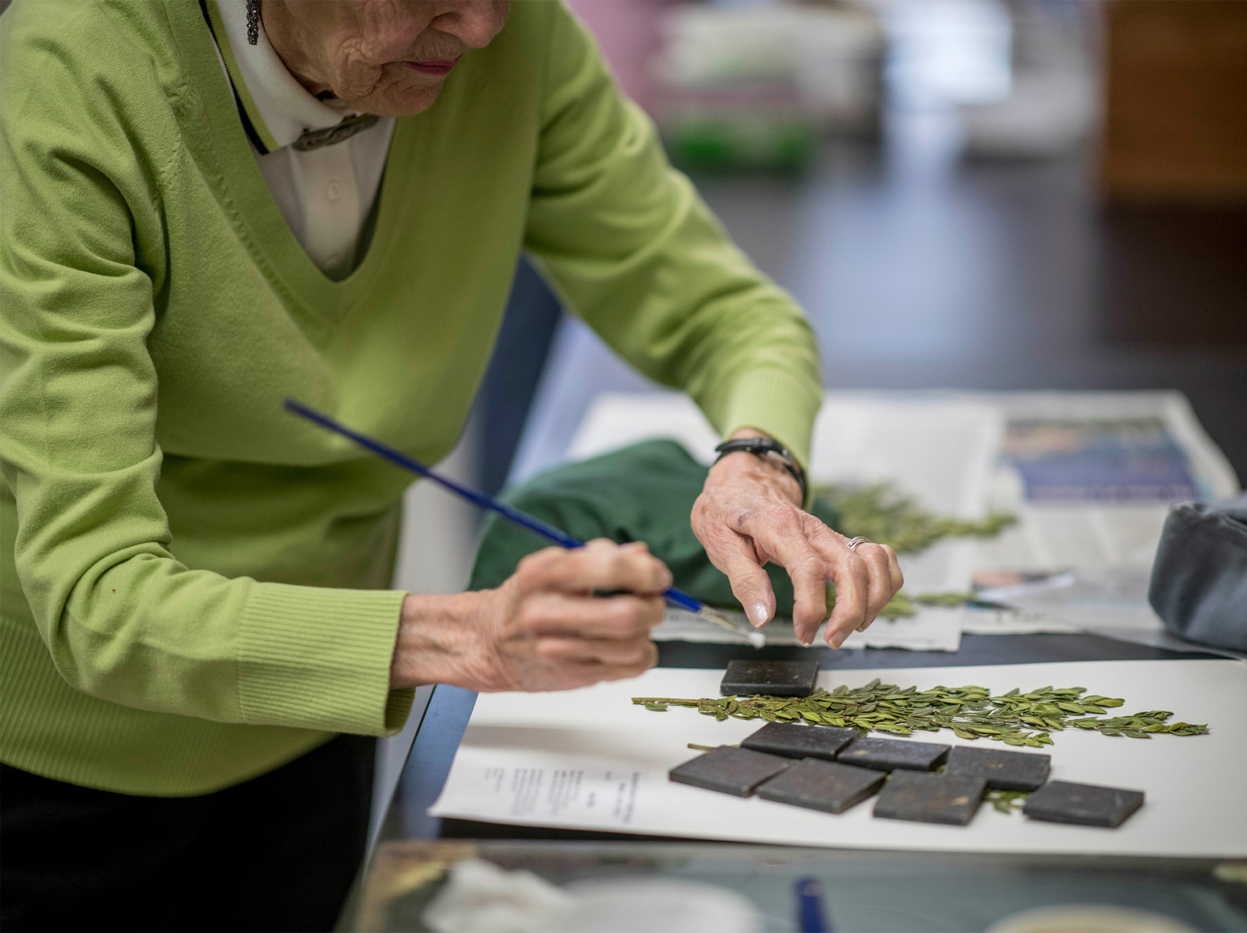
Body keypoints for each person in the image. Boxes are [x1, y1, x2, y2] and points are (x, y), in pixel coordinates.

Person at [0, 1, 903, 929]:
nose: (477, 29)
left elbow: (726, 310)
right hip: (70, 764)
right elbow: (94, 598)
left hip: (319, 708)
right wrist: (465, 637)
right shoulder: (78, 66)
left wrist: (758, 463)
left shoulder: (515, 40)